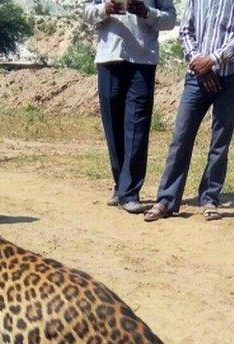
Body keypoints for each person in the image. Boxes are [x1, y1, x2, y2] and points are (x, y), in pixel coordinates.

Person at [144, 0, 234, 222]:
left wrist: (212, 60)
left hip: (229, 76)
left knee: (220, 142)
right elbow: (186, 30)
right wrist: (198, 62)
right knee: (181, 137)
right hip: (196, 76)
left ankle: (210, 199)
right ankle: (166, 200)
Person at [84, 0, 176, 214]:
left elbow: (170, 20)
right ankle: (120, 184)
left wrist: (147, 12)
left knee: (137, 126)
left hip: (142, 60)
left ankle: (130, 192)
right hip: (109, 56)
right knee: (113, 124)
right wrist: (104, 9)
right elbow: (87, 13)